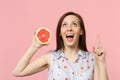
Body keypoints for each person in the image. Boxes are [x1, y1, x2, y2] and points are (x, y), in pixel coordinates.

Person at [13, 11, 109, 80]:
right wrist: (34, 46)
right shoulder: (51, 57)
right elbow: (18, 72)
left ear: (81, 31)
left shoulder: (92, 58)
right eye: (64, 25)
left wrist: (101, 63)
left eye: (74, 24)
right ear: (60, 32)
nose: (69, 29)